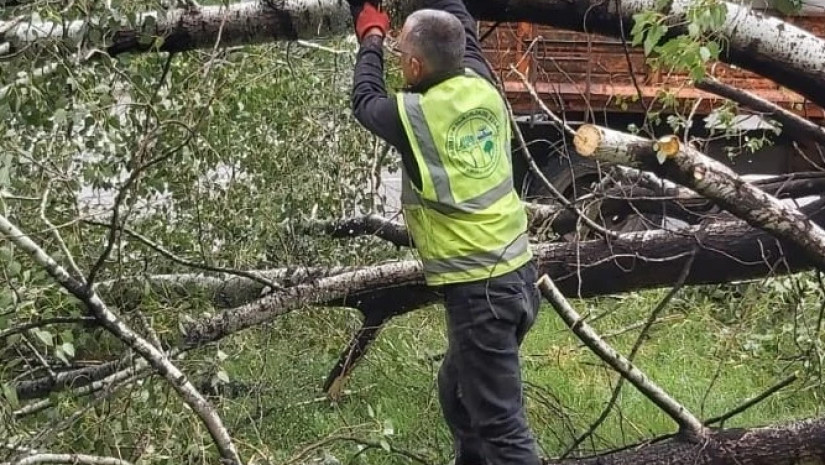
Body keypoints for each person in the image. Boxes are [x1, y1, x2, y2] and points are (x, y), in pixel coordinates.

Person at [347, 1, 542, 465]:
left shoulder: (417, 117)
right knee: (456, 391)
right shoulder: (479, 80)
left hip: (482, 296)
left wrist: (371, 31)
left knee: (502, 428)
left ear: (415, 65)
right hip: (517, 280)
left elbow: (364, 100)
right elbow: (461, 18)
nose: (398, 61)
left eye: (400, 55)